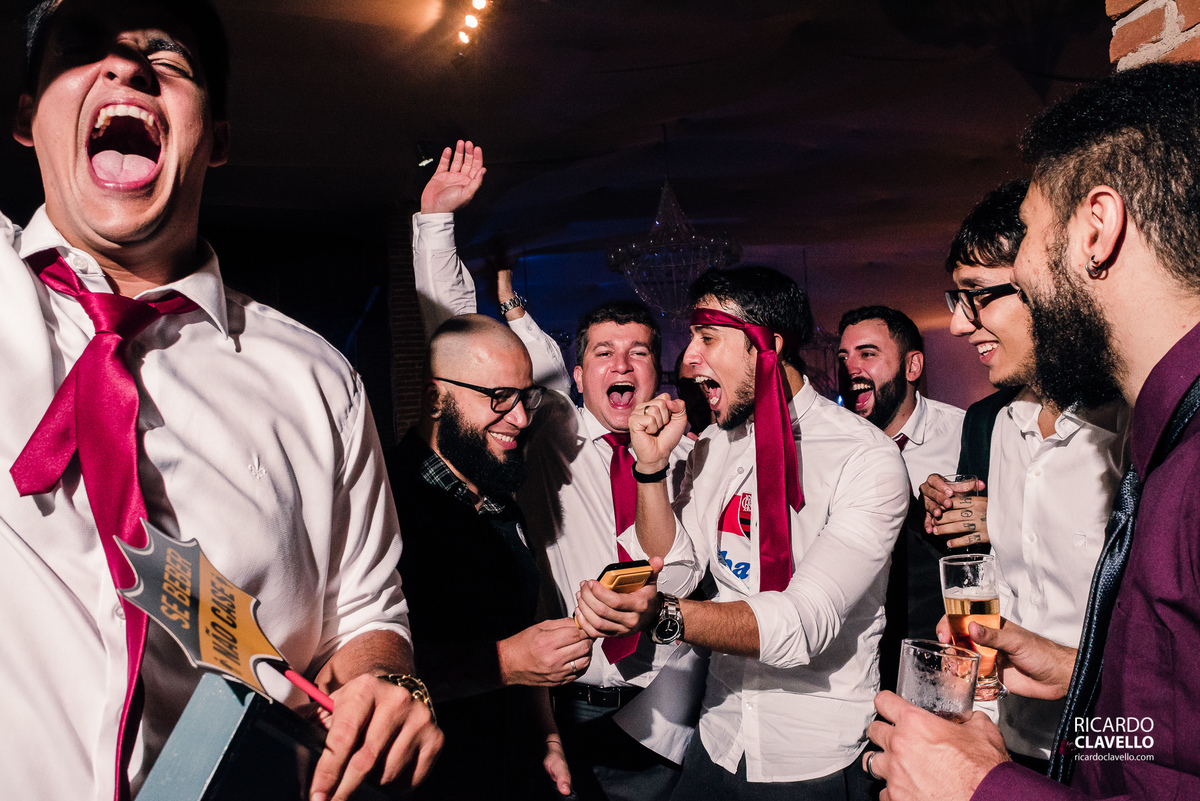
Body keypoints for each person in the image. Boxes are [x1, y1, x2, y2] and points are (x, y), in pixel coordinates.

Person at [2, 1, 441, 800]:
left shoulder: (320, 382)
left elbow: (367, 615)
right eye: (82, 50)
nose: (127, 67)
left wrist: (387, 684)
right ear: (29, 119)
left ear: (220, 139)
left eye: (167, 58)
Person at [868, 61, 1200, 800]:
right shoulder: (1169, 439)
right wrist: (1075, 671)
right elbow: (1163, 743)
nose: (960, 323)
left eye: (1028, 240)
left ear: (1096, 228)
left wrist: (978, 789)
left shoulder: (1176, 460)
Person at [411, 141, 705, 801]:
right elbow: (462, 339)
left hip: (666, 710)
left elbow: (689, 575)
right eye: (604, 352)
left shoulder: (691, 455)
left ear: (656, 371)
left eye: (638, 352)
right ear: (577, 374)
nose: (621, 365)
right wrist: (435, 225)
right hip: (559, 703)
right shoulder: (551, 429)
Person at [577, 266, 911, 800]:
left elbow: (803, 623)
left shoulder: (864, 459)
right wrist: (650, 471)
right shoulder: (718, 445)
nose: (688, 359)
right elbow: (680, 571)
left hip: (811, 754)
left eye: (707, 338)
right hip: (717, 737)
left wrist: (662, 616)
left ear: (768, 345)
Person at [924, 180, 1125, 770]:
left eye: (977, 296)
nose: (960, 326)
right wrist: (972, 723)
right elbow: (1002, 591)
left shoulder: (1133, 427)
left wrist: (1077, 671)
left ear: (1046, 280)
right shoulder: (1005, 425)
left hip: (1115, 750)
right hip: (1012, 745)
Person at [386, 314, 583, 800]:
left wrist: (547, 736)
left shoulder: (499, 499)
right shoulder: (387, 504)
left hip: (511, 770)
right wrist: (507, 661)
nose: (519, 417)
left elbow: (520, 632)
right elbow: (371, 666)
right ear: (436, 398)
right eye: (498, 397)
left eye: (525, 396)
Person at [838, 305, 965, 683]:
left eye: (868, 353)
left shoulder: (964, 434)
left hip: (942, 645)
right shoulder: (834, 445)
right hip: (858, 650)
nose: (850, 368)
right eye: (843, 356)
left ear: (912, 367)